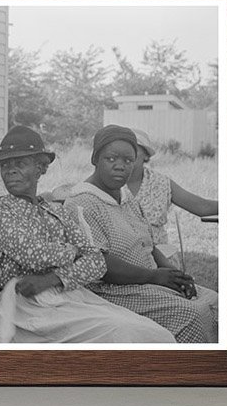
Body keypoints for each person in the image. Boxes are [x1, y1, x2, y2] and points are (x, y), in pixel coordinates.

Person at [0, 126, 175, 344]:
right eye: (5, 165)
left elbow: (96, 261)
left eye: (20, 163)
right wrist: (75, 251)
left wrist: (55, 277)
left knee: (151, 331)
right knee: (123, 331)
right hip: (28, 304)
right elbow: (33, 256)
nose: (10, 171)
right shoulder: (1, 211)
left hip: (70, 294)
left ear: (41, 168)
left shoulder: (55, 210)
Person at [63, 126, 218, 344]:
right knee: (190, 314)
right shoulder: (82, 202)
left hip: (147, 281)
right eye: (111, 158)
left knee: (214, 302)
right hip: (112, 291)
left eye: (128, 160)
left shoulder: (125, 196)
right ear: (95, 158)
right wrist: (155, 276)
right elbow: (100, 263)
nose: (120, 166)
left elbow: (149, 244)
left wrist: (174, 273)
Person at [124, 128, 219, 290]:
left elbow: (201, 207)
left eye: (133, 151)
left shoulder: (161, 183)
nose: (127, 158)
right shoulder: (107, 183)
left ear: (146, 155)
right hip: (121, 257)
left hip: (159, 257)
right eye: (119, 153)